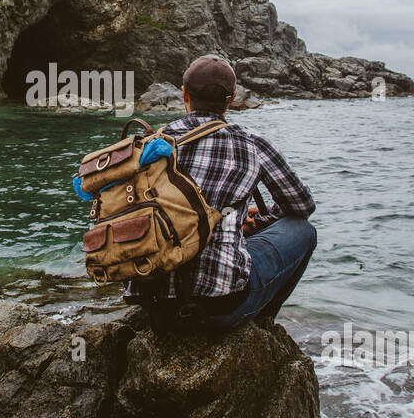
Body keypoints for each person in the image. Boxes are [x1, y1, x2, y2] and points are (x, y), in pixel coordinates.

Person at [127, 54, 317, 333]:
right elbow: (301, 205)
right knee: (304, 231)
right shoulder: (251, 143)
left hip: (153, 304)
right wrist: (260, 222)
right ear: (233, 98)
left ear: (184, 95)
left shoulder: (152, 144)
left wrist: (237, 223)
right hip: (219, 309)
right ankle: (262, 324)